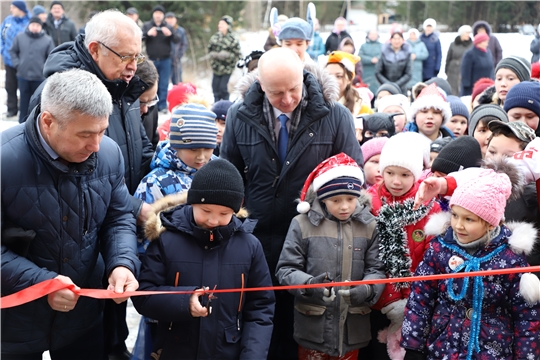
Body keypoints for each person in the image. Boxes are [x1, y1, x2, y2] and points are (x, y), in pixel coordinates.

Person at [27, 10, 155, 359]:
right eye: (126, 56)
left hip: (114, 224)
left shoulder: (123, 87)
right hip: (74, 236)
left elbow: (138, 145)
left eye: (137, 55)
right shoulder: (65, 95)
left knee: (111, 322)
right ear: (96, 49)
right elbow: (50, 176)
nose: (134, 65)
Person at [221, 47, 363, 360]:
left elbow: (354, 174)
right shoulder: (239, 115)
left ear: (304, 77)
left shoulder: (334, 114)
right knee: (260, 326)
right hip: (257, 240)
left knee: (305, 327)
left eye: (293, 90)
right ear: (260, 85)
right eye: (276, 93)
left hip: (316, 241)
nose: (287, 100)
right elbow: (228, 176)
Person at [1, 68, 140, 359]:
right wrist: (41, 283)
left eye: (102, 131)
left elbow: (119, 218)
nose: (96, 145)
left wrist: (122, 262)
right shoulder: (4, 160)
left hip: (82, 317)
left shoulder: (109, 155)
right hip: (14, 320)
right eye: (85, 135)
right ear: (48, 121)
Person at [132, 159, 276, 360]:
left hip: (229, 351)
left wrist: (253, 355)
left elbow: (261, 307)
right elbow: (143, 295)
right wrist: (185, 301)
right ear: (192, 203)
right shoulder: (166, 239)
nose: (213, 220)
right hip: (175, 350)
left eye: (224, 213)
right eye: (206, 211)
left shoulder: (249, 245)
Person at [402, 158, 540, 360]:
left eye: (469, 219)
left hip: (491, 350)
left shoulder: (510, 258)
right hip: (443, 348)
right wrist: (414, 346)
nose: (458, 225)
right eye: (455, 215)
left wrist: (526, 356)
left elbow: (527, 316)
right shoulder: (440, 248)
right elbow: (420, 298)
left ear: (491, 223)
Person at [276, 153, 385, 359]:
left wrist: (366, 288)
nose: (344, 206)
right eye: (336, 200)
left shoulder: (369, 225)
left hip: (352, 326)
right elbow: (286, 269)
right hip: (314, 325)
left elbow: (376, 269)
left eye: (351, 199)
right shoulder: (302, 224)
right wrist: (310, 285)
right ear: (323, 199)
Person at [361, 132, 441, 360]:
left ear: (416, 175)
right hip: (378, 301)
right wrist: (389, 299)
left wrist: (413, 300)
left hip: (418, 302)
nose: (396, 181)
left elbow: (431, 260)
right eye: (389, 173)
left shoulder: (429, 207)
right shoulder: (368, 203)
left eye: (405, 175)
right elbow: (366, 256)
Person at [135, 103, 218, 205]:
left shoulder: (219, 174)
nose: (201, 157)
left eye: (208, 148)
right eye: (193, 149)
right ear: (175, 145)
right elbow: (146, 219)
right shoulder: (154, 184)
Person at [9, 17, 54, 124]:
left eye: (37, 26)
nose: (35, 28)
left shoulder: (47, 40)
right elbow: (13, 51)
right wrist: (17, 64)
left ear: (41, 27)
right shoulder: (20, 37)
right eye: (33, 25)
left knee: (38, 104)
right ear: (29, 25)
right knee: (24, 102)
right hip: (23, 76)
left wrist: (45, 69)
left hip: (39, 78)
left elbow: (51, 56)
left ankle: (35, 125)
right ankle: (21, 124)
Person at [142, 5, 181, 113]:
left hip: (165, 60)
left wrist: (170, 34)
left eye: (160, 13)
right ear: (153, 14)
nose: (158, 15)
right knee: (151, 82)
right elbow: (140, 37)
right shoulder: (147, 25)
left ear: (163, 15)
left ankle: (162, 105)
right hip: (152, 60)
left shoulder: (168, 26)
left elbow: (178, 39)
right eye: (156, 13)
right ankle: (151, 104)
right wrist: (148, 34)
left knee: (164, 83)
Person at [1, 0, 30, 118]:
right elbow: (1, 36)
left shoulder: (29, 22)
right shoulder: (8, 21)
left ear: (20, 9)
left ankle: (24, 110)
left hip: (24, 62)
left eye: (13, 7)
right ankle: (11, 109)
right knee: (10, 86)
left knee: (24, 87)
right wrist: (2, 50)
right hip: (8, 59)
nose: (11, 9)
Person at [207, 15, 242, 102]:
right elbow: (209, 50)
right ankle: (216, 105)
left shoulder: (233, 38)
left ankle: (226, 105)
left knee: (223, 88)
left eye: (222, 23)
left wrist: (227, 55)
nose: (220, 25)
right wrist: (214, 54)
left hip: (227, 68)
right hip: (216, 67)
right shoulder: (215, 37)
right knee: (215, 87)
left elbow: (238, 54)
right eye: (219, 23)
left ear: (228, 25)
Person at [324, 51, 366, 116]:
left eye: (338, 76)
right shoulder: (317, 103)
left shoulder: (361, 109)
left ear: (349, 79)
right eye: (328, 76)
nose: (332, 80)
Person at [375, 28, 412, 95]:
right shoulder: (384, 53)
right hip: (385, 89)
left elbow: (408, 74)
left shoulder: (407, 54)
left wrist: (396, 85)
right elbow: (378, 72)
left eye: (399, 39)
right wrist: (388, 85)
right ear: (391, 40)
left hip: (401, 89)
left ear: (402, 40)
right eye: (394, 39)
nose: (396, 41)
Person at [136, 59, 160, 150]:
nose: (146, 109)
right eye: (140, 102)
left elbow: (153, 143)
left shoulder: (152, 107)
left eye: (151, 101)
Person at [445, 25, 473, 96]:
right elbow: (448, 58)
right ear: (462, 33)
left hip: (466, 70)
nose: (468, 35)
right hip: (453, 70)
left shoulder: (472, 45)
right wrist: (446, 70)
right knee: (452, 88)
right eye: (466, 33)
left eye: (469, 33)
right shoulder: (453, 44)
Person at [165, 12, 188, 85]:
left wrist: (179, 55)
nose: (170, 20)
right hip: (165, 59)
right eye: (168, 18)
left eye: (172, 18)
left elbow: (184, 44)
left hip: (176, 59)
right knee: (164, 81)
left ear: (175, 20)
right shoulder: (163, 30)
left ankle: (178, 95)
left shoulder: (180, 31)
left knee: (178, 81)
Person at [359, 30, 383, 95]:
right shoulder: (363, 46)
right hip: (366, 72)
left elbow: (384, 55)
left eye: (374, 34)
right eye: (371, 34)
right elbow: (360, 56)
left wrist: (377, 58)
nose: (373, 36)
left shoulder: (381, 45)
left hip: (379, 71)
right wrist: (370, 60)